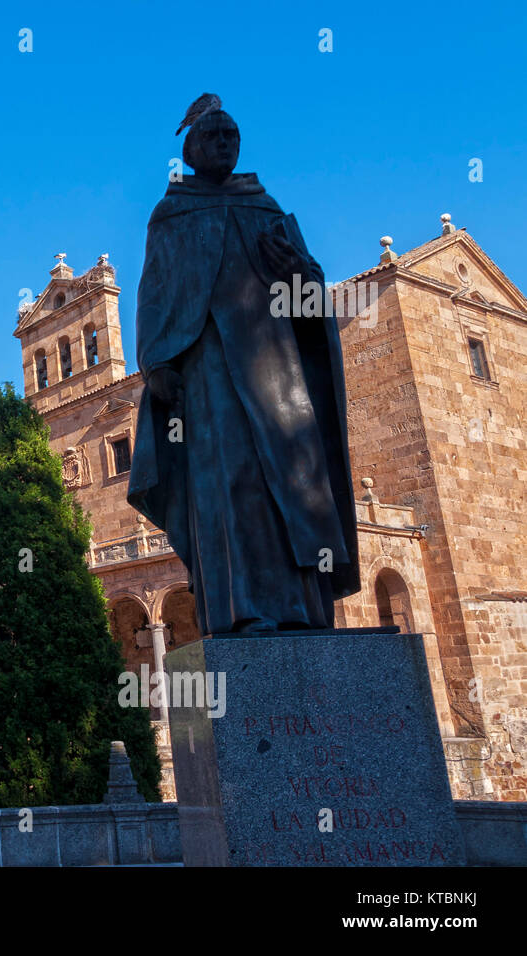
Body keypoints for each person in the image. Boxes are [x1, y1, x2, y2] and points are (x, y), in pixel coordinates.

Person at [127, 94, 358, 635]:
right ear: (190, 148)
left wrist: (302, 271)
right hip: (208, 369)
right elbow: (153, 292)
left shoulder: (266, 207)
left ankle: (302, 609)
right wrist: (154, 361)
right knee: (226, 483)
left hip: (277, 366)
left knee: (292, 479)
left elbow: (308, 294)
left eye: (232, 135)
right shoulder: (171, 213)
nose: (225, 143)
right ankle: (240, 609)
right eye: (214, 136)